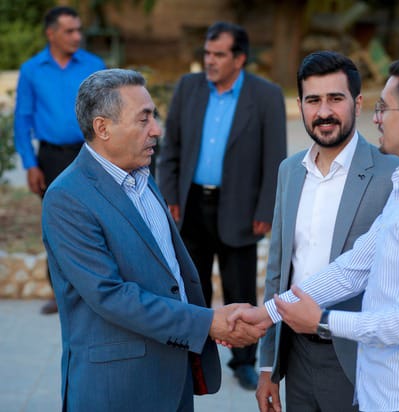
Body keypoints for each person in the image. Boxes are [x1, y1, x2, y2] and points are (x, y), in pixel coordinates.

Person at [230, 56, 399, 412]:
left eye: (383, 108)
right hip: (383, 394)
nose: (376, 118)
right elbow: (353, 268)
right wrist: (270, 312)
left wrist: (322, 321)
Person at [41, 68, 264, 411]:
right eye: (144, 119)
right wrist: (207, 323)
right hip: (117, 390)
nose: (156, 129)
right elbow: (110, 295)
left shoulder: (142, 177)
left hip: (174, 378)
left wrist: (210, 318)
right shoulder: (67, 198)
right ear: (103, 128)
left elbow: (170, 274)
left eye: (154, 117)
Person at [257, 51, 399, 412]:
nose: (324, 112)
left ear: (358, 103)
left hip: (357, 359)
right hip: (296, 355)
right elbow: (277, 271)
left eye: (335, 99)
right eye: (313, 100)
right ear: (300, 106)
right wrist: (267, 366)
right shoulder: (289, 171)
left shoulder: (391, 173)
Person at [157, 21, 287, 390]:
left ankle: (243, 361)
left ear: (239, 58)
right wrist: (170, 196)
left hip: (241, 208)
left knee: (239, 288)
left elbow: (275, 157)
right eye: (207, 53)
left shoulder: (266, 95)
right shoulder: (188, 87)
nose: (209, 61)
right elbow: (171, 148)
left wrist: (266, 209)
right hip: (192, 204)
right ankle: (192, 355)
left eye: (218, 54)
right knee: (190, 285)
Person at [14, 6, 106, 314]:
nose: (77, 36)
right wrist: (30, 163)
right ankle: (61, 292)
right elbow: (23, 118)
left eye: (79, 30)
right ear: (50, 33)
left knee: (98, 221)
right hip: (51, 157)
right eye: (69, 31)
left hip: (90, 153)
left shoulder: (94, 66)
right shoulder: (32, 70)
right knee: (57, 225)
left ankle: (98, 292)